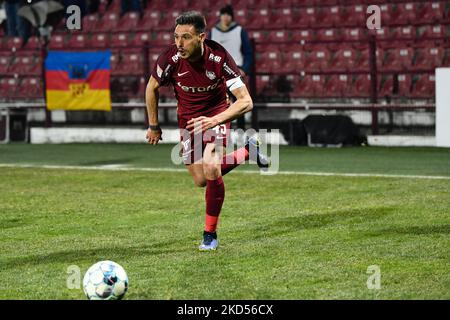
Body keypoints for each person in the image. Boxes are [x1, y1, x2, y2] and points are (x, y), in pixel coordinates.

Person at [145, 11, 269, 251]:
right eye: (176, 37)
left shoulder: (220, 58)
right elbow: (152, 88)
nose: (179, 43)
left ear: (201, 37)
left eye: (186, 37)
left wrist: (214, 121)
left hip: (216, 113)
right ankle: (248, 151)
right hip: (188, 121)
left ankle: (209, 235)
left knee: (212, 167)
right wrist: (153, 125)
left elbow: (245, 102)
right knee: (201, 180)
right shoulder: (170, 58)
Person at [209, 4, 253, 129]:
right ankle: (220, 133)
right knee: (218, 104)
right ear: (220, 16)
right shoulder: (213, 32)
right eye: (223, 14)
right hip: (217, 72)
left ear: (232, 17)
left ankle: (240, 132)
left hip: (235, 71)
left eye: (228, 15)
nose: (225, 17)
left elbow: (248, 53)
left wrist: (244, 69)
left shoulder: (240, 31)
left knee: (240, 103)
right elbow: (208, 53)